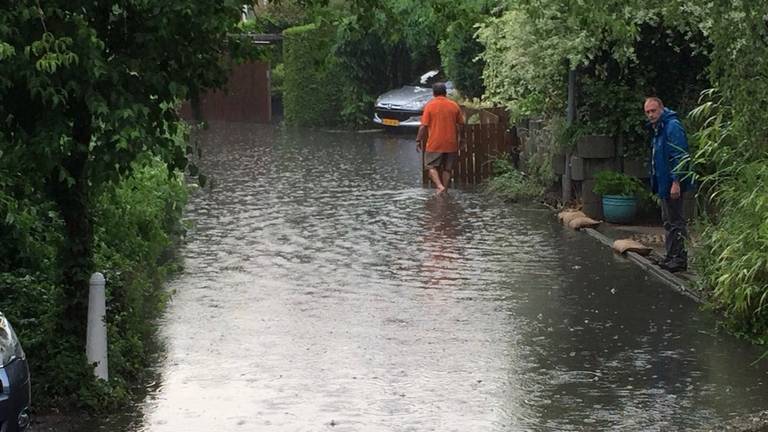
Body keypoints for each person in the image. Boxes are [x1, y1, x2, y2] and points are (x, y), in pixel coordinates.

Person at [644, 97, 692, 273]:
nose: (650, 115)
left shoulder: (672, 126)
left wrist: (676, 181)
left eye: (653, 111)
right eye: (648, 112)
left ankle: (679, 259)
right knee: (668, 221)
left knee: (676, 221)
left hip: (673, 183)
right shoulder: (659, 129)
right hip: (663, 183)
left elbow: (681, 155)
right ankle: (671, 255)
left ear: (661, 109)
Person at [416, 82, 464, 194]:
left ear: (433, 93)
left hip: (435, 143)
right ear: (445, 92)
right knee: (447, 168)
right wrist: (461, 139)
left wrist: (418, 140)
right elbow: (461, 125)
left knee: (430, 166)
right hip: (451, 143)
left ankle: (439, 186)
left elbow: (423, 126)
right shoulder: (454, 105)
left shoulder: (430, 106)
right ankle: (445, 189)